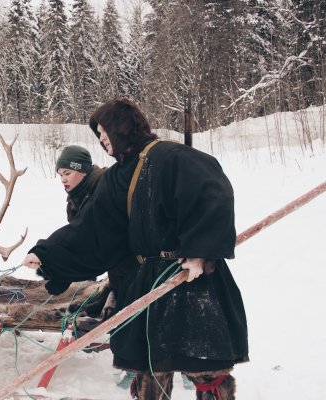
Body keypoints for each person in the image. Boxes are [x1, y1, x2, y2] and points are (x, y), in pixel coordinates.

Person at [23, 98, 248, 399]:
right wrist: (48, 255)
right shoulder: (118, 176)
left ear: (121, 128)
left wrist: (201, 252)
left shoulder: (171, 156)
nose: (101, 140)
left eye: (104, 132)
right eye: (99, 134)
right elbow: (93, 229)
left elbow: (213, 192)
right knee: (151, 368)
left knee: (205, 368)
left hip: (191, 277)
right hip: (149, 280)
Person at [53, 145, 139, 320]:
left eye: (67, 173)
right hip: (116, 272)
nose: (63, 179)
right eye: (60, 174)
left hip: (136, 267)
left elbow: (114, 242)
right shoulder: (76, 198)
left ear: (83, 171)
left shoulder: (106, 188)